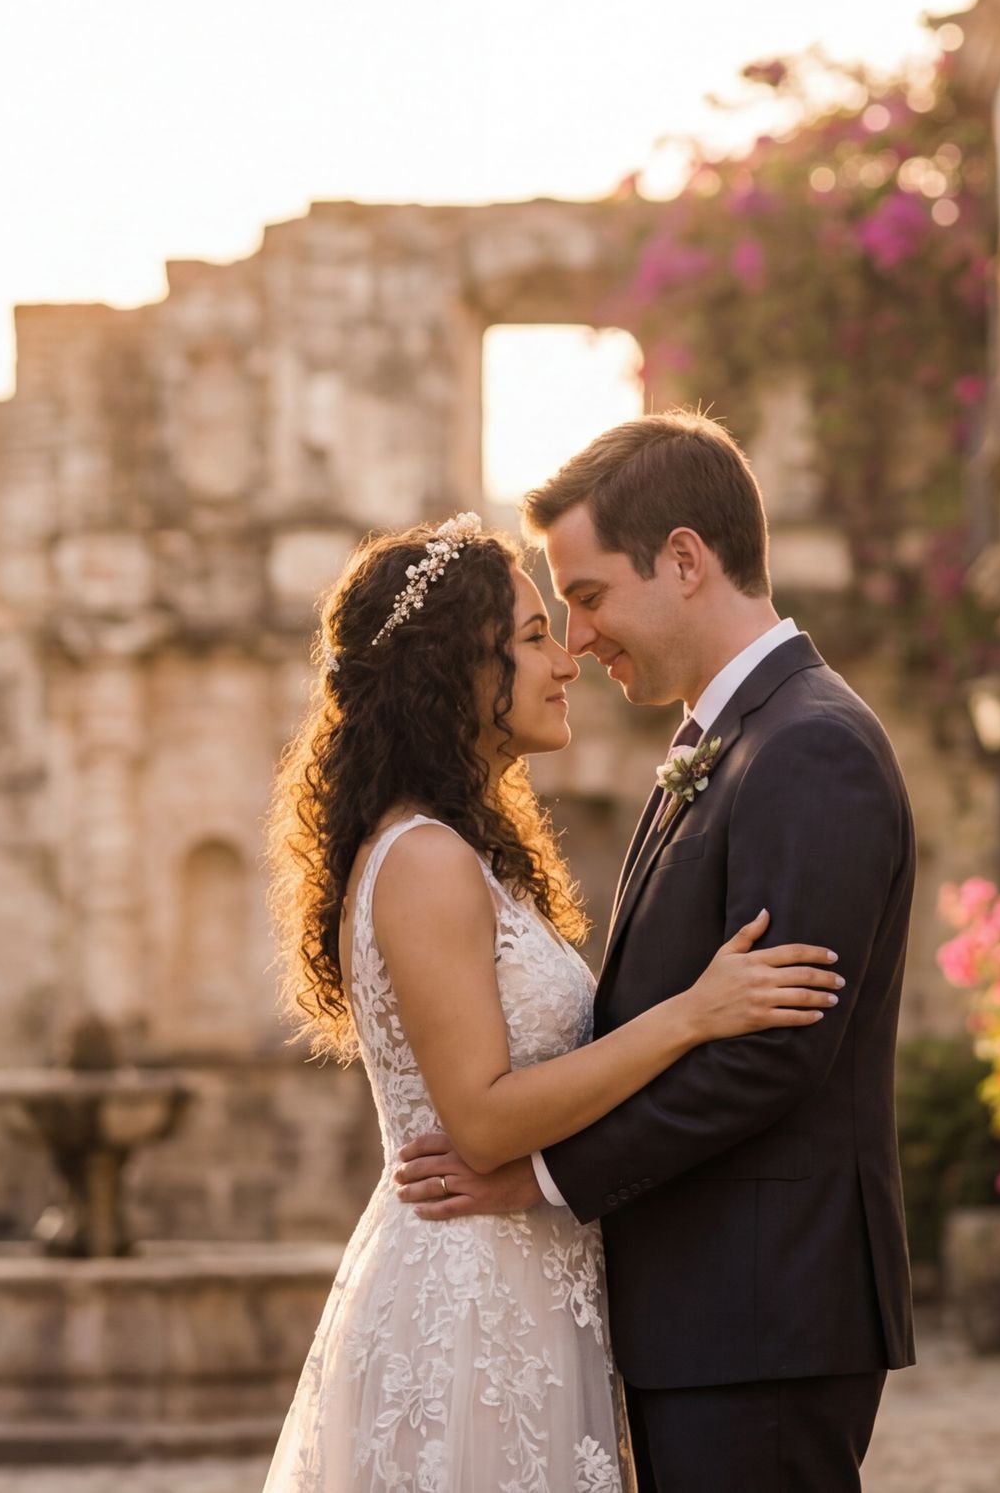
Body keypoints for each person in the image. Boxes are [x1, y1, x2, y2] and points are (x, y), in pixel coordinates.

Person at [262, 509, 844, 1492]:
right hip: (470, 1301)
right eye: (533, 637)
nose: (568, 658)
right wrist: (695, 1013)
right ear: (452, 670)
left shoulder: (457, 855)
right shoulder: (425, 862)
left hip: (526, 1284)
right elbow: (483, 1123)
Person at [390, 411, 917, 1493]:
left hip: (760, 1312)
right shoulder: (724, 742)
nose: (577, 642)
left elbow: (773, 1051)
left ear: (684, 560)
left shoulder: (809, 746)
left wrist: (537, 1177)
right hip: (712, 1310)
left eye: (585, 599)